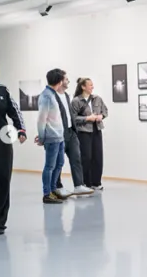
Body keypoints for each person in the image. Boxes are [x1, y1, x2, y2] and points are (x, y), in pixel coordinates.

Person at [0, 61, 27, 235]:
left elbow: (15, 111)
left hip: (2, 141)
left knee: (4, 180)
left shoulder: (2, 90)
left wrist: (21, 129)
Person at [50, 73, 94, 198]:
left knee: (76, 159)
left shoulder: (66, 96)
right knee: (58, 162)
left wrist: (74, 130)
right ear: (60, 81)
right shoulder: (52, 96)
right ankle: (57, 187)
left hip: (71, 132)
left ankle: (78, 185)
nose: (68, 81)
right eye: (66, 79)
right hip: (59, 133)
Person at [37, 69, 72, 204]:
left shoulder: (52, 95)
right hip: (52, 138)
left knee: (60, 163)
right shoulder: (46, 96)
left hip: (59, 137)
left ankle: (53, 190)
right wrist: (42, 137)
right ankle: (47, 193)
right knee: (49, 166)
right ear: (59, 81)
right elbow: (41, 119)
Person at [71, 77, 108, 190]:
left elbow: (105, 111)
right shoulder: (76, 101)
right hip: (83, 132)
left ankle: (96, 183)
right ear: (83, 87)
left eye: (92, 85)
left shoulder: (97, 99)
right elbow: (73, 118)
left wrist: (101, 116)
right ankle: (86, 183)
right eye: (90, 85)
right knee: (86, 157)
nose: (92, 87)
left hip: (97, 130)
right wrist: (87, 118)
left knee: (98, 156)